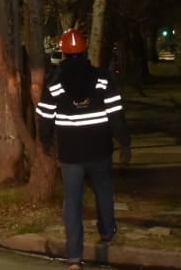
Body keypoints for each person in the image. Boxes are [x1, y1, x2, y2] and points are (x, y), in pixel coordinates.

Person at [37, 28, 131, 270]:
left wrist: (46, 142)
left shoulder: (54, 81)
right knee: (103, 190)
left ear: (64, 51)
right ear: (85, 49)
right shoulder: (103, 78)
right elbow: (116, 114)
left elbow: (45, 116)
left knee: (72, 201)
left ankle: (74, 257)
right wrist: (125, 142)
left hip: (71, 154)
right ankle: (107, 231)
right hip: (100, 149)